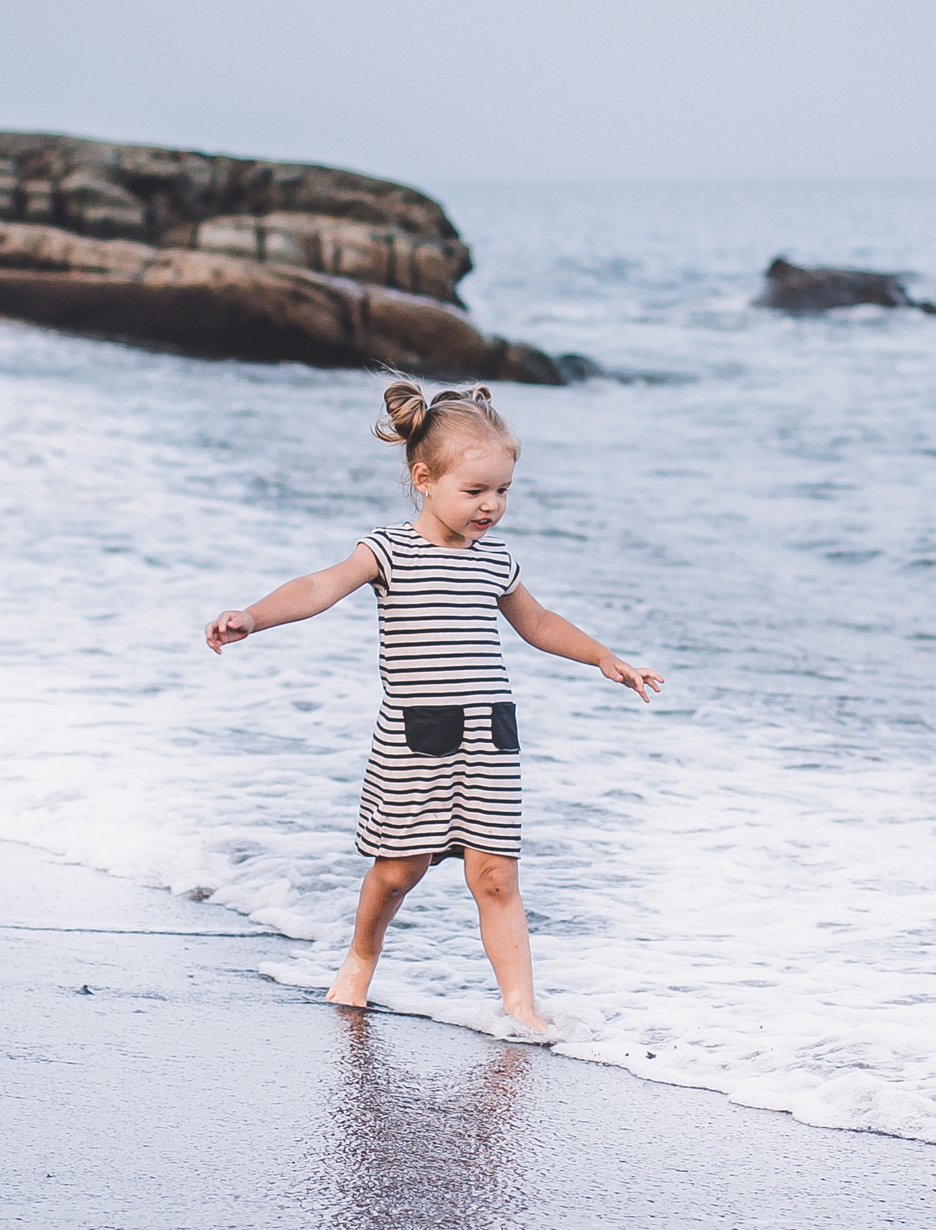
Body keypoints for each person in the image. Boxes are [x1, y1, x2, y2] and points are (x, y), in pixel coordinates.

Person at [204, 380, 662, 1035]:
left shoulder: (495, 561)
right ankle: (361, 958)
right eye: (475, 491)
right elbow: (319, 586)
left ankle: (521, 1006)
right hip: (414, 739)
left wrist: (603, 657)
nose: (491, 505)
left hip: (489, 736)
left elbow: (538, 623)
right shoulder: (388, 550)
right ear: (424, 480)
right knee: (397, 872)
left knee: (496, 874)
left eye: (502, 490)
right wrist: (252, 616)